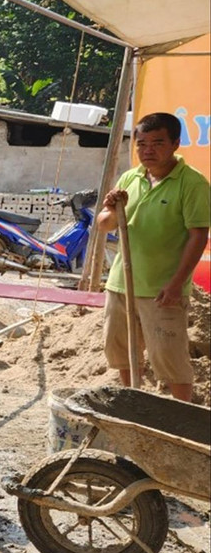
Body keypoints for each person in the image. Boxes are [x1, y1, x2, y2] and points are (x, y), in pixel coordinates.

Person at [96, 112, 209, 402]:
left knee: (170, 360)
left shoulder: (191, 183)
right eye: (141, 144)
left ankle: (180, 417)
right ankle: (133, 403)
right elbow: (105, 225)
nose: (148, 150)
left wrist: (176, 284)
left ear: (175, 143)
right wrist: (110, 208)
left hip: (162, 290)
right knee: (122, 352)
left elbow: (198, 236)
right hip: (122, 283)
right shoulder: (129, 178)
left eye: (157, 143)